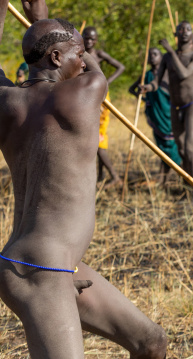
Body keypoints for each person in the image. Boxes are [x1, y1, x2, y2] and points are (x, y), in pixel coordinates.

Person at [0, 1, 167, 357]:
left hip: (53, 263)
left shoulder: (5, 103)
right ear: (58, 58)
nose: (85, 59)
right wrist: (41, 18)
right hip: (41, 269)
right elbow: (93, 69)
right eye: (80, 52)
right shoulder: (87, 89)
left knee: (151, 343)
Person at [142, 21, 193, 209]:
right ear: (176, 33)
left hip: (192, 105)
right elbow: (157, 82)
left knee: (190, 149)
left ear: (192, 34)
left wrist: (169, 49)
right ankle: (188, 189)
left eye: (188, 29)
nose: (184, 32)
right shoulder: (168, 58)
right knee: (182, 151)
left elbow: (184, 74)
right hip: (175, 107)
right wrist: (147, 87)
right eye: (181, 29)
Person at [129, 47, 181, 186]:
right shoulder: (147, 75)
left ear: (161, 57)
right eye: (150, 55)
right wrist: (145, 98)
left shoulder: (168, 74)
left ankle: (182, 174)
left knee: (172, 145)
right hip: (155, 115)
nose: (152, 57)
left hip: (169, 115)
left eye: (155, 54)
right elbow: (132, 89)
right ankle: (163, 177)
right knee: (161, 147)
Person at [83, 25, 125, 188]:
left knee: (98, 137)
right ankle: (100, 176)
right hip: (84, 95)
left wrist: (106, 81)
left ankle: (114, 176)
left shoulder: (98, 54)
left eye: (93, 38)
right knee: (91, 136)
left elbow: (121, 67)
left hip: (100, 96)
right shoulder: (78, 53)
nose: (89, 41)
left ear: (97, 40)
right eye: (86, 37)